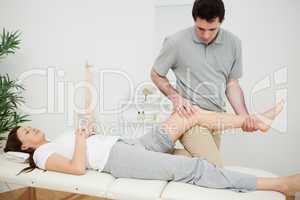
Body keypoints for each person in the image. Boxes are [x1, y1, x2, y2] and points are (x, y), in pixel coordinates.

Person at [4, 101, 299, 196]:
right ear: (25, 146)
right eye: (25, 132)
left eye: (28, 126)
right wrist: (82, 140)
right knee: (192, 168)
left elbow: (83, 149)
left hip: (129, 146)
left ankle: (254, 121)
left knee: (188, 114)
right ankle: (279, 184)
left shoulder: (54, 140)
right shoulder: (41, 155)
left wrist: (89, 134)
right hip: (119, 160)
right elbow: (77, 168)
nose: (31, 129)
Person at [151, 0, 258, 167]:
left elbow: (232, 84)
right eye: (200, 29)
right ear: (194, 19)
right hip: (189, 117)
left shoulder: (234, 43)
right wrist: (176, 98)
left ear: (220, 21)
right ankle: (148, 154)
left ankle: (151, 154)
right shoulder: (176, 42)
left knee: (201, 172)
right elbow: (156, 74)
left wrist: (243, 117)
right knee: (214, 169)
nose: (206, 35)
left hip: (217, 119)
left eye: (212, 29)